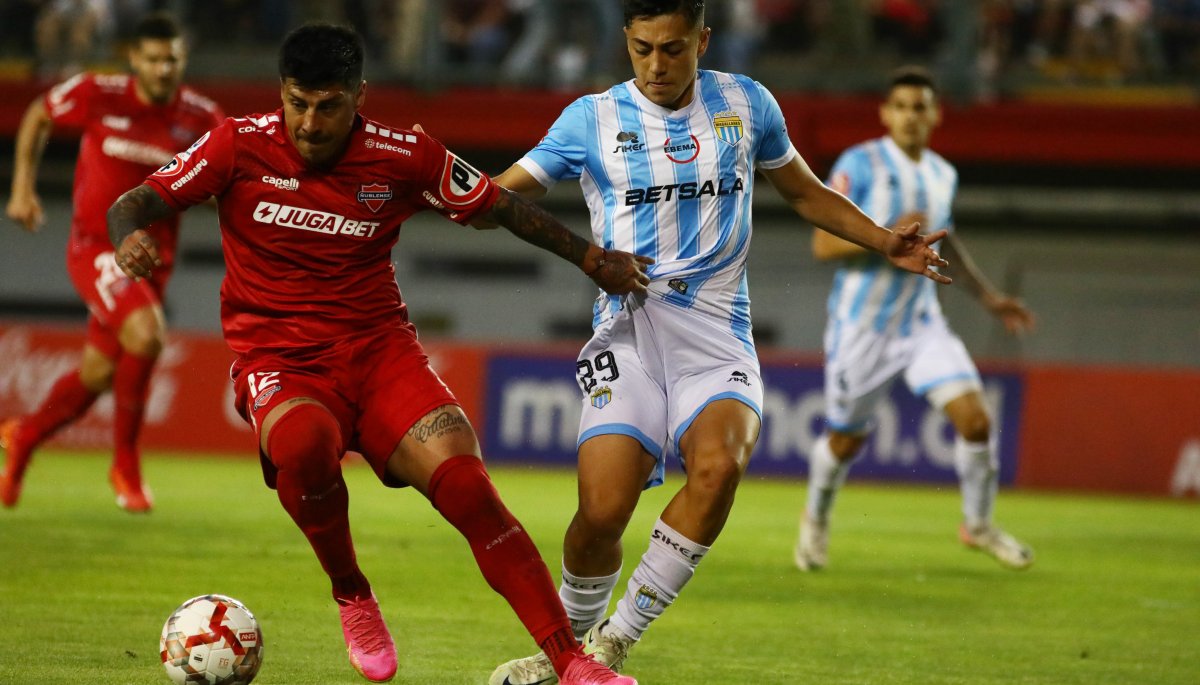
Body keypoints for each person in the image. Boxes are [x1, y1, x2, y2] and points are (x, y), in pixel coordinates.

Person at [107, 22, 647, 685]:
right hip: (283, 359)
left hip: (380, 354)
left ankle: (572, 663)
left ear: (358, 97)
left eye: (328, 105)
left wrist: (590, 257)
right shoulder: (235, 145)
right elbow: (135, 202)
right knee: (303, 444)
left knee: (469, 488)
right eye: (297, 103)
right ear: (282, 94)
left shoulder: (403, 154)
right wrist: (130, 237)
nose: (309, 122)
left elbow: (498, 206)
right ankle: (352, 592)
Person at [485, 3, 952, 683]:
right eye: (642, 48)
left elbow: (805, 192)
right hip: (629, 331)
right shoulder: (590, 119)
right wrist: (454, 192)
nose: (655, 66)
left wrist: (885, 241)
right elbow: (505, 194)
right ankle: (565, 647)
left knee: (718, 469)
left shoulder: (747, 105)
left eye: (673, 49)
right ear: (626, 40)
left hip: (717, 336)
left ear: (703, 39)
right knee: (601, 513)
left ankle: (613, 642)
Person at [794, 65, 1037, 573]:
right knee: (846, 440)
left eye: (919, 107)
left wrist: (990, 297)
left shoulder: (943, 173)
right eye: (900, 106)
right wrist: (885, 242)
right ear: (885, 113)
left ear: (935, 114)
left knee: (975, 420)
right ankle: (815, 520)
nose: (909, 116)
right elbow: (821, 243)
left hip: (923, 325)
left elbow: (948, 243)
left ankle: (979, 525)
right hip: (862, 327)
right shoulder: (858, 164)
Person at [2, 11, 224, 513]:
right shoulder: (98, 92)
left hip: (153, 260)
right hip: (96, 247)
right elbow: (39, 111)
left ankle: (25, 438)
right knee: (147, 334)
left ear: (182, 58)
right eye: (153, 58)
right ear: (134, 59)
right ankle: (125, 462)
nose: (163, 68)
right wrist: (22, 189)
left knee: (99, 373)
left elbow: (228, 175)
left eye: (171, 58)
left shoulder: (201, 116)